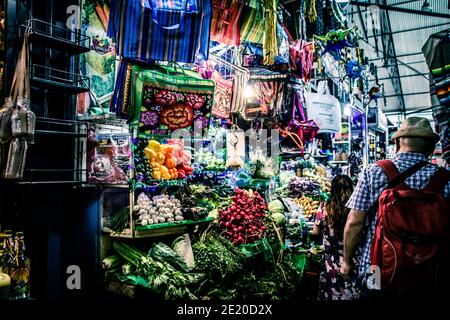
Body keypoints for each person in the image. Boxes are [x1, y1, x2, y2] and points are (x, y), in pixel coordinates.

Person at [341, 117, 450, 300]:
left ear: (397, 142)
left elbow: (355, 223)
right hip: (429, 272)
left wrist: (346, 261)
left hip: (376, 269)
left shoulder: (374, 171)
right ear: (431, 147)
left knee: (373, 295)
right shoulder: (445, 178)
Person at [312, 174, 360, 300]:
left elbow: (315, 232)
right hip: (353, 260)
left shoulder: (324, 207)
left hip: (331, 263)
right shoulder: (358, 209)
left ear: (332, 189)